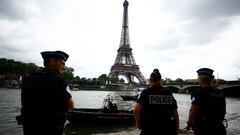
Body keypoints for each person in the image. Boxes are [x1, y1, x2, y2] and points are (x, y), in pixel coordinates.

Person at [19, 50, 74, 135]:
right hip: (50, 128)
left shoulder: (28, 78)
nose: (64, 67)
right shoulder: (58, 79)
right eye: (62, 63)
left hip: (29, 126)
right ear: (52, 61)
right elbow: (70, 105)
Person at [134, 69, 179, 135]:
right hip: (166, 128)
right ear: (160, 80)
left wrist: (138, 124)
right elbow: (175, 114)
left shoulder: (146, 92)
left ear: (150, 80)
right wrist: (176, 131)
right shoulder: (168, 92)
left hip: (149, 128)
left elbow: (136, 110)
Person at [185, 68, 226, 135]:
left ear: (200, 79)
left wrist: (189, 124)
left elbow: (192, 111)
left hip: (204, 128)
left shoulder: (198, 93)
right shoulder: (220, 93)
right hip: (219, 127)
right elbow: (223, 110)